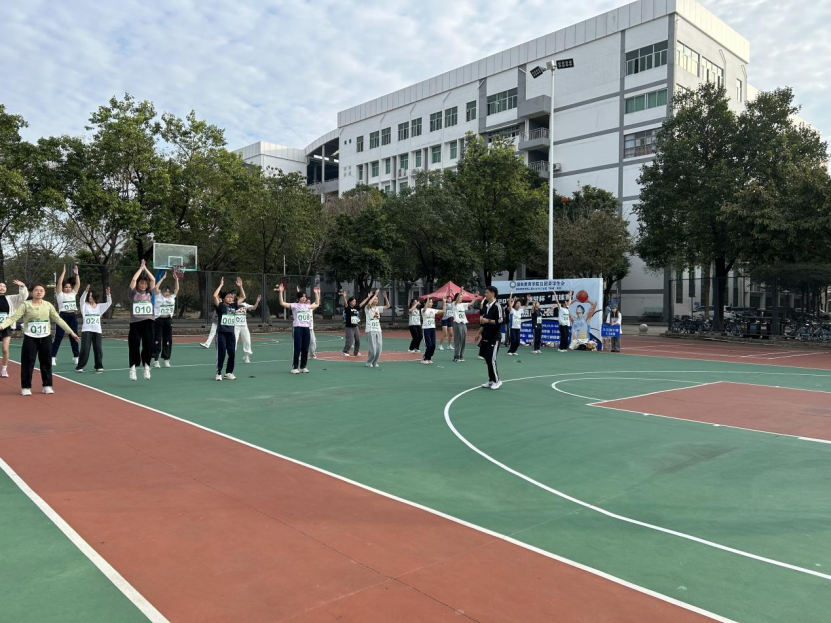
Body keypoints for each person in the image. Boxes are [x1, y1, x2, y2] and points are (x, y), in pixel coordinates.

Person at [0, 284, 79, 395]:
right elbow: (14, 317)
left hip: (45, 337)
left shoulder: (48, 305)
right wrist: (2, 326)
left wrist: (71, 332)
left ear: (44, 293)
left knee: (46, 361)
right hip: (30, 337)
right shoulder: (25, 305)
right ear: (32, 292)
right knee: (28, 362)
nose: (39, 292)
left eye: (41, 290)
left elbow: (58, 319)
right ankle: (26, 387)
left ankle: (47, 385)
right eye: (36, 290)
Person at [277, 283, 320, 374]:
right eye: (302, 297)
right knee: (297, 348)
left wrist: (316, 293)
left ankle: (303, 366)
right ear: (299, 297)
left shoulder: (307, 306)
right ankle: (295, 367)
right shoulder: (294, 305)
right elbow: (282, 303)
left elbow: (317, 304)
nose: (304, 298)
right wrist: (280, 292)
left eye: (305, 297)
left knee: (305, 348)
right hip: (298, 328)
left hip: (306, 328)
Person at [128, 260, 156, 381]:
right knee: (134, 345)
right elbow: (133, 280)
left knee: (148, 345)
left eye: (145, 283)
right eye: (141, 283)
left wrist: (146, 269)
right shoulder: (133, 293)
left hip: (148, 322)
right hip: (135, 323)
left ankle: (146, 367)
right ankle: (132, 369)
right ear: (138, 284)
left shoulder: (150, 293)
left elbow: (153, 280)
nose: (143, 285)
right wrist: (140, 268)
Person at [75, 285, 112, 373]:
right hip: (86, 330)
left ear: (95, 297)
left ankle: (98, 366)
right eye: (89, 296)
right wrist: (85, 292)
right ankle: (79, 367)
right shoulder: (84, 306)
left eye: (92, 296)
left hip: (97, 330)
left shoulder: (100, 306)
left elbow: (109, 303)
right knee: (85, 348)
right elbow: (81, 300)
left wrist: (108, 295)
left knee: (98, 348)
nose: (90, 297)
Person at [51, 264, 81, 366]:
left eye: (69, 287)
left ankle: (76, 357)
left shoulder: (73, 294)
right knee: (58, 337)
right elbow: (59, 282)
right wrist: (63, 272)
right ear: (63, 288)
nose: (68, 288)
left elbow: (78, 284)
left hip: (72, 316)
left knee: (74, 337)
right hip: (63, 316)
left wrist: (77, 274)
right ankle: (53, 357)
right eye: (66, 287)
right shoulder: (60, 294)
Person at [476, 286, 503, 390]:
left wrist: (488, 321)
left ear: (493, 293)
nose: (485, 294)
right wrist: (478, 333)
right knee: (487, 359)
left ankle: (497, 380)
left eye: (487, 292)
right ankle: (491, 380)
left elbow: (501, 320)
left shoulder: (497, 306)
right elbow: (483, 322)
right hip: (486, 336)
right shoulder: (486, 306)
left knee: (491, 359)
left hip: (494, 337)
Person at [213, 277, 240, 380]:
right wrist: (221, 285)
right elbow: (215, 296)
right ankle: (218, 373)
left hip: (231, 334)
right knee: (222, 353)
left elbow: (243, 297)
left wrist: (241, 286)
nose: (230, 298)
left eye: (232, 297)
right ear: (223, 298)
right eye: (228, 297)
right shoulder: (220, 306)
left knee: (232, 354)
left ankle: (229, 373)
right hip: (221, 333)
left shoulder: (233, 306)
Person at [0, 279, 28, 378]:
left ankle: (4, 369)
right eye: (0, 286)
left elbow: (23, 297)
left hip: (7, 326)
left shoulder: (11, 299)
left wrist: (22, 287)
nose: (2, 288)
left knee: (5, 349)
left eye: (3, 286)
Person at [152, 271, 179, 368]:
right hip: (158, 320)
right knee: (157, 339)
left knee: (167, 340)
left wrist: (176, 279)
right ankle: (156, 360)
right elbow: (156, 288)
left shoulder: (172, 297)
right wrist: (162, 279)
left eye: (168, 291)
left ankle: (166, 359)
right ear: (162, 292)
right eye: (165, 291)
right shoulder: (158, 296)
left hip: (168, 320)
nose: (167, 293)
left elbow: (177, 289)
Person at [363, 289, 390, 368]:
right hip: (370, 330)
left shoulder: (377, 308)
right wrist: (375, 294)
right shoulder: (367, 308)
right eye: (375, 299)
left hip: (378, 329)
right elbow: (369, 303)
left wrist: (386, 297)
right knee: (373, 349)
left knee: (379, 348)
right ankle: (369, 362)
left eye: (377, 299)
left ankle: (375, 362)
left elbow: (387, 306)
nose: (376, 300)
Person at [235, 293, 261, 364]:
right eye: (239, 296)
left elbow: (254, 308)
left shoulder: (245, 304)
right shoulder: (233, 304)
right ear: (237, 297)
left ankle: (247, 356)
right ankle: (231, 356)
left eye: (242, 296)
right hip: (235, 326)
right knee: (233, 342)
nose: (241, 297)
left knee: (247, 341)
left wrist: (257, 301)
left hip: (244, 325)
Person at [450, 288, 474, 362]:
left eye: (462, 297)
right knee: (457, 340)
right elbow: (457, 300)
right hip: (457, 323)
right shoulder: (454, 304)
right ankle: (456, 356)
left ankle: (461, 356)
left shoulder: (463, 305)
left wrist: (475, 297)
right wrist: (460, 292)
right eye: (460, 297)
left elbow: (471, 303)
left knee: (463, 340)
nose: (461, 298)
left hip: (464, 323)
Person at [420, 297, 442, 364]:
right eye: (429, 302)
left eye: (432, 302)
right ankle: (424, 359)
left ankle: (429, 358)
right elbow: (425, 309)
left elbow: (443, 311)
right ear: (425, 303)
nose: (431, 303)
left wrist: (444, 302)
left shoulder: (433, 310)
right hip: (426, 329)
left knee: (433, 345)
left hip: (432, 328)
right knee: (428, 345)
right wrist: (428, 298)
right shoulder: (423, 310)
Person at [340, 291, 363, 357]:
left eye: (355, 301)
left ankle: (356, 352)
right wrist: (344, 297)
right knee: (349, 340)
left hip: (355, 326)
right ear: (350, 302)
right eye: (353, 301)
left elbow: (361, 304)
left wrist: (368, 297)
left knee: (358, 340)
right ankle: (345, 351)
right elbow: (345, 304)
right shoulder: (348, 308)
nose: (354, 302)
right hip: (349, 327)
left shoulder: (356, 308)